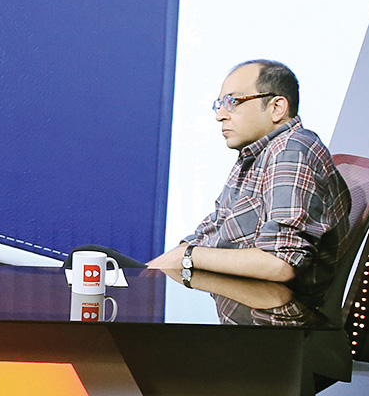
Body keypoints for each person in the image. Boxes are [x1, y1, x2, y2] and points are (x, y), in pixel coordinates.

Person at [149, 60, 350, 296]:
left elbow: (281, 263)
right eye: (219, 105)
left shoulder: (291, 151)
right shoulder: (256, 154)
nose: (220, 116)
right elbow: (212, 230)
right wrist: (153, 268)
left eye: (233, 102)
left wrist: (188, 256)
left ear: (277, 107)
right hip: (235, 297)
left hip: (270, 312)